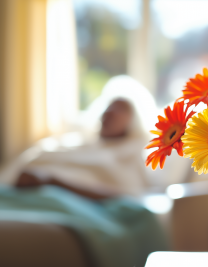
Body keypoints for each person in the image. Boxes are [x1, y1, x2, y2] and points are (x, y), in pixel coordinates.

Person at [0, 76, 175, 267]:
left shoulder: (131, 154)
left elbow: (126, 198)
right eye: (109, 106)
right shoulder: (70, 145)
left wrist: (52, 181)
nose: (110, 112)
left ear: (133, 120)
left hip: (64, 203)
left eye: (121, 108)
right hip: (16, 197)